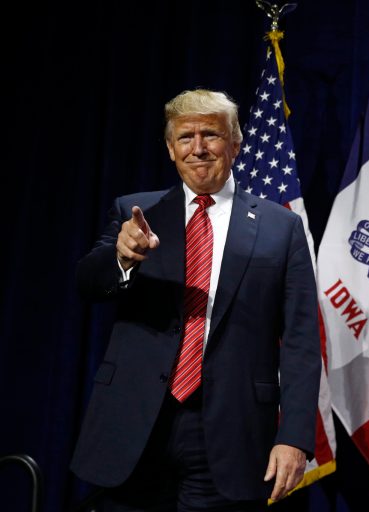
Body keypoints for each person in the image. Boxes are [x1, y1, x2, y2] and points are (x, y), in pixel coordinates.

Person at [71, 89, 321, 511]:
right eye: (185, 137)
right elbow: (87, 284)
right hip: (133, 424)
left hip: (229, 428)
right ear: (171, 149)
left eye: (212, 135)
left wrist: (294, 437)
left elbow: (300, 342)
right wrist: (121, 257)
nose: (199, 148)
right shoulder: (136, 212)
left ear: (236, 145)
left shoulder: (282, 228)